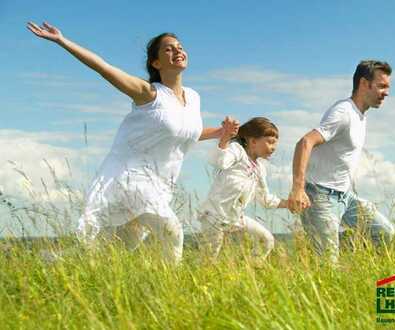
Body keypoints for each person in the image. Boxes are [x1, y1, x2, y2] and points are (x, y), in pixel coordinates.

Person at [27, 21, 239, 264]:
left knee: (114, 248)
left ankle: (53, 263)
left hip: (160, 184)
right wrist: (63, 41)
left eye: (179, 47)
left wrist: (220, 132)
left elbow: (186, 132)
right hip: (131, 177)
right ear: (156, 63)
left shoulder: (193, 97)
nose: (178, 51)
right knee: (172, 231)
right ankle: (171, 292)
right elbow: (103, 68)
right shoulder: (148, 92)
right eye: (168, 49)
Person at [288, 60, 395, 263]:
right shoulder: (343, 112)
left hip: (346, 198)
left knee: (384, 233)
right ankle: (326, 248)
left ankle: (334, 245)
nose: (386, 92)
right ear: (364, 83)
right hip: (320, 197)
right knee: (327, 265)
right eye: (382, 86)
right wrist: (298, 189)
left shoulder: (360, 115)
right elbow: (305, 142)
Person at [198, 117, 288, 260]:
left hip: (236, 218)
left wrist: (289, 204)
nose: (273, 147)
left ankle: (252, 269)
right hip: (214, 216)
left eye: (275, 143)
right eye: (270, 142)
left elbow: (265, 199)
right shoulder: (238, 151)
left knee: (267, 240)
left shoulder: (260, 169)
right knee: (208, 259)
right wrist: (225, 137)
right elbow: (220, 161)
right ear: (252, 141)